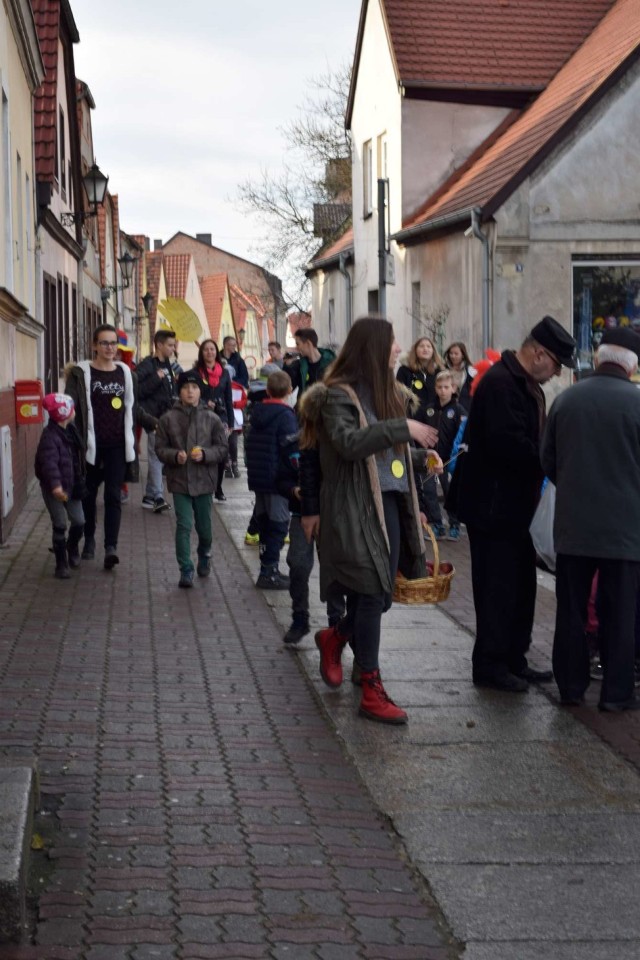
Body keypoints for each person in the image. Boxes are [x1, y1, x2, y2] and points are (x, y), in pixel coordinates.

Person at [298, 316, 442, 725]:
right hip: (354, 508)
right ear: (374, 348)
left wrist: (418, 457)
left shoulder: (386, 394)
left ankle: (336, 638)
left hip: (389, 505)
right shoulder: (336, 396)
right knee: (369, 590)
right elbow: (347, 444)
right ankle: (372, 686)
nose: (399, 348)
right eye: (393, 342)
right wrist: (403, 428)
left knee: (379, 596)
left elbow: (387, 455)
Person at [456, 315, 577, 692]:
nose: (556, 374)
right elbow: (507, 445)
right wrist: (551, 459)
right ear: (539, 354)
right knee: (496, 587)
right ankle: (491, 664)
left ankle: (514, 658)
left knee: (520, 586)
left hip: (515, 507)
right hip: (493, 507)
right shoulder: (500, 384)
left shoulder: (524, 384)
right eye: (556, 365)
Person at [541, 327, 640, 711]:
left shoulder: (566, 400)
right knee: (619, 613)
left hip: (574, 527)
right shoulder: (636, 404)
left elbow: (547, 461)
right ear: (631, 366)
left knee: (571, 609)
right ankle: (616, 695)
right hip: (625, 532)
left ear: (598, 359)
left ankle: (570, 686)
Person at [65, 324, 139, 571]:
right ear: (95, 346)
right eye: (104, 343)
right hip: (90, 446)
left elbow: (131, 407)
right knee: (88, 494)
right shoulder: (82, 373)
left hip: (117, 445)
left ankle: (111, 547)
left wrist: (155, 423)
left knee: (113, 496)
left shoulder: (125, 373)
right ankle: (89, 539)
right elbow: (70, 406)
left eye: (113, 343)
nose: (109, 348)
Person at [155, 370, 228, 588]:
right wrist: (174, 456)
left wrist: (205, 454)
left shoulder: (211, 418)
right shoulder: (168, 418)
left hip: (205, 481)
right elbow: (160, 449)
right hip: (180, 480)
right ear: (180, 391)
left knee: (205, 528)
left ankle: (205, 553)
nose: (190, 391)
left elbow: (222, 449)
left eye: (194, 388)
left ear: (200, 391)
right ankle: (185, 568)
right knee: (184, 524)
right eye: (186, 387)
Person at [245, 369, 298, 590]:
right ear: (289, 391)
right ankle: (269, 571)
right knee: (278, 525)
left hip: (259, 478)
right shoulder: (286, 415)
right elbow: (291, 449)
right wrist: (298, 474)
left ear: (267, 390)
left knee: (265, 523)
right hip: (278, 480)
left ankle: (267, 569)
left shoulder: (258, 412)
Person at [35, 393, 86, 579]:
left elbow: (78, 459)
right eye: (72, 409)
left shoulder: (71, 431)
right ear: (65, 414)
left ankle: (71, 547)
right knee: (60, 523)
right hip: (54, 488)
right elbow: (49, 465)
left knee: (79, 521)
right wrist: (56, 487)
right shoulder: (50, 438)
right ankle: (61, 563)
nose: (74, 412)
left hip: (72, 485)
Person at [136, 329, 177, 513]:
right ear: (159, 345)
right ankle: (159, 497)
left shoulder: (168, 365)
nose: (172, 348)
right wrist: (155, 378)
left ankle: (149, 496)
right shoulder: (147, 365)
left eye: (173, 345)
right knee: (156, 456)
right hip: (152, 417)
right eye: (169, 345)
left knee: (158, 455)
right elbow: (137, 390)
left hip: (165, 417)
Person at [422, 370, 466, 541]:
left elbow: (463, 434)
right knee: (429, 490)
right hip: (432, 457)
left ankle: (454, 524)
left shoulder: (458, 410)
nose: (442, 390)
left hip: (449, 458)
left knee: (449, 491)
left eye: (446, 387)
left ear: (453, 388)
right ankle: (437, 523)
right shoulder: (429, 409)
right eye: (439, 387)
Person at [195, 339, 234, 501]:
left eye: (212, 349)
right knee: (204, 452)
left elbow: (228, 398)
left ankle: (218, 488)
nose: (209, 352)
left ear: (216, 352)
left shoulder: (224, 373)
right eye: (206, 350)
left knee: (220, 454)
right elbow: (191, 395)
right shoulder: (196, 372)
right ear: (202, 353)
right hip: (202, 417)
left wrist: (231, 423)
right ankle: (205, 487)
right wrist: (205, 402)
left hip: (221, 418)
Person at [396, 336, 444, 418]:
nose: (425, 349)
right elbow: (398, 395)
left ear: (433, 351)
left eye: (429, 346)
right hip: (412, 417)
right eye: (421, 346)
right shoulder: (404, 370)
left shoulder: (439, 372)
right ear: (415, 350)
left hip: (434, 418)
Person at [288, 328, 335, 399]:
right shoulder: (298, 366)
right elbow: (287, 388)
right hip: (305, 408)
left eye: (298, 344)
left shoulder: (331, 363)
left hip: (327, 407)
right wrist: (287, 368)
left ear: (308, 343)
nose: (296, 348)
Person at [444, 341, 476, 412]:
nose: (453, 356)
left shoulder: (470, 370)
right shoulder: (443, 369)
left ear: (463, 355)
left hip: (464, 408)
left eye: (456, 354)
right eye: (451, 353)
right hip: (446, 407)